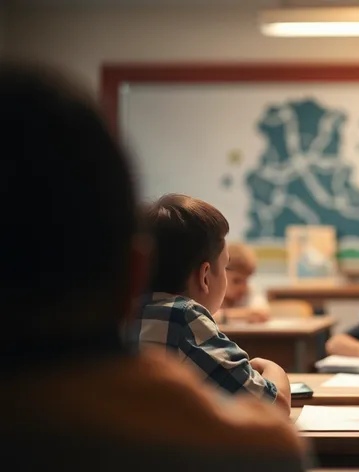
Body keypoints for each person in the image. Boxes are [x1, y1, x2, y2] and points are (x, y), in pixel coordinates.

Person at [0, 60, 306, 470]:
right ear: (133, 274)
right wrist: (275, 371)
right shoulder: (249, 449)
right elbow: (269, 408)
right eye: (224, 266)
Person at [130, 194, 291, 415]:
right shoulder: (186, 317)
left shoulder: (121, 312)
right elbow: (275, 407)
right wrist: (273, 369)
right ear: (205, 276)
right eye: (225, 267)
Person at [214, 242, 271, 324]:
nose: (242, 287)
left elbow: (261, 313)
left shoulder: (250, 291)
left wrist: (223, 316)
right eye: (236, 281)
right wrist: (246, 314)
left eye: (246, 281)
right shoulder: (209, 294)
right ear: (220, 274)